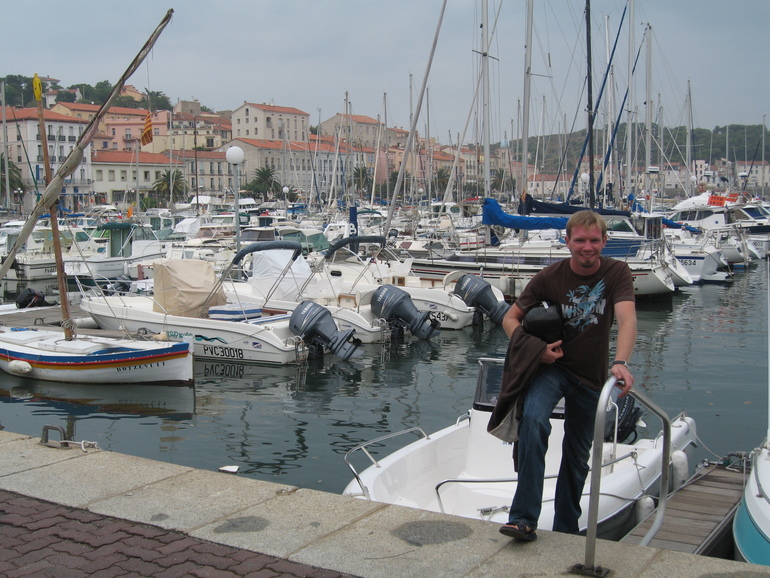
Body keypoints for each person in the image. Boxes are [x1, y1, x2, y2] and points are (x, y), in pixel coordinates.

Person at [496, 209, 637, 542]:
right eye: (580, 240)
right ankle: (523, 518)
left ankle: (566, 530)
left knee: (577, 458)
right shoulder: (549, 277)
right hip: (553, 370)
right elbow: (509, 319)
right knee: (533, 422)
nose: (587, 247)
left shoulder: (617, 272)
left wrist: (621, 361)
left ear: (604, 241)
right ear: (567, 241)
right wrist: (535, 348)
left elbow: (627, 319)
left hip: (591, 377)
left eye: (594, 240)